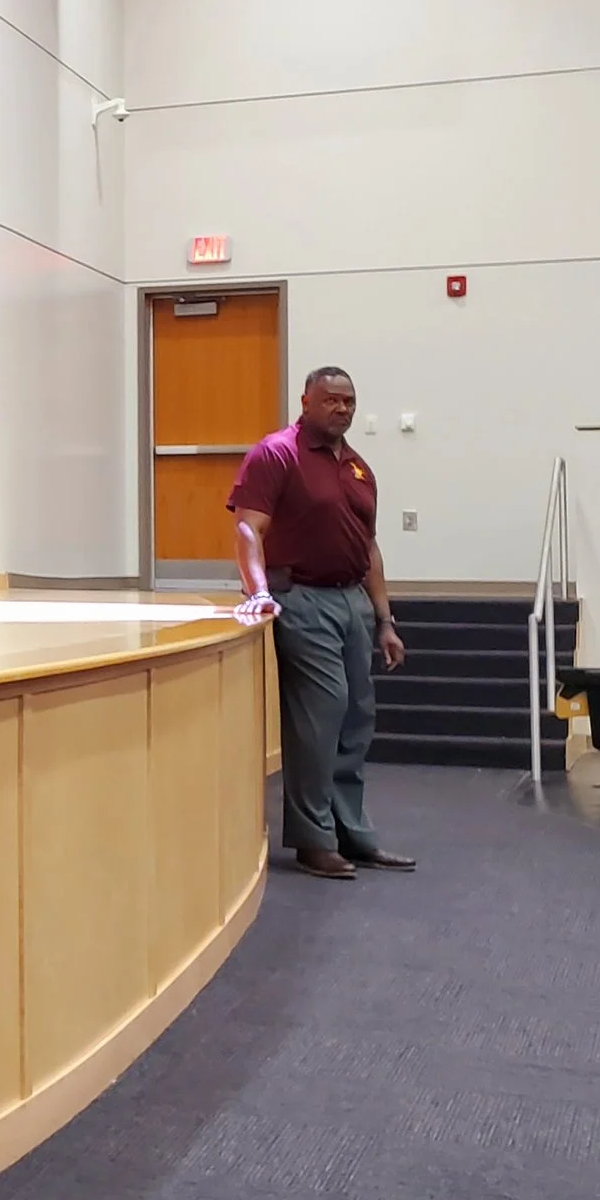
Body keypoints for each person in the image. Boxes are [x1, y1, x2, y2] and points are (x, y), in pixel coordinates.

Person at [232, 367, 416, 879]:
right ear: (306, 401)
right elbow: (248, 528)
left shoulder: (358, 468)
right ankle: (314, 840)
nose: (342, 409)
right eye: (331, 400)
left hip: (352, 602)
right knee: (320, 719)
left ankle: (353, 834)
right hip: (302, 599)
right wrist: (259, 591)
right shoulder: (276, 454)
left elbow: (369, 547)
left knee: (356, 719)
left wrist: (385, 620)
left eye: (349, 401)